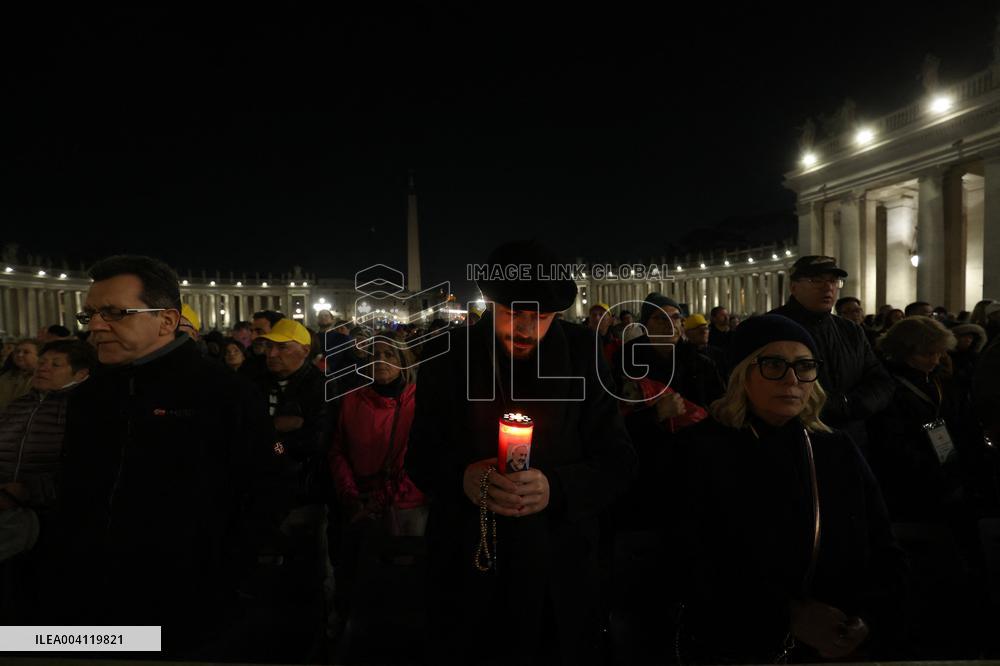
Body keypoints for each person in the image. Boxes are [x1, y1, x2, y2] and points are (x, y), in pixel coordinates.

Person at [405, 239, 636, 665]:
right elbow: (418, 454)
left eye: (542, 316)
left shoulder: (583, 353)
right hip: (470, 561)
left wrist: (558, 487)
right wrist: (462, 477)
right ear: (491, 303)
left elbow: (618, 460)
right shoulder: (449, 356)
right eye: (515, 314)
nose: (527, 329)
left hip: (559, 568)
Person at [49, 255, 265, 658]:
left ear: (166, 321)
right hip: (89, 596)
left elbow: (266, 481)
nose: (95, 326)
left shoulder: (226, 393)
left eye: (114, 313)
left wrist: (229, 574)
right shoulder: (89, 395)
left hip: (187, 601)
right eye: (90, 315)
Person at [673, 315, 904, 663]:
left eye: (804, 366)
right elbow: (690, 560)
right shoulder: (699, 450)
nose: (792, 379)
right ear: (741, 374)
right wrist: (789, 614)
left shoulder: (836, 450)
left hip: (838, 641)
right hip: (738, 643)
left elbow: (883, 547)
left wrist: (866, 618)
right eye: (774, 365)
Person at [328, 334, 428, 618]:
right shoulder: (350, 400)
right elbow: (338, 449)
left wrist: (375, 504)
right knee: (359, 576)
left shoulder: (419, 402)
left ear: (404, 362)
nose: (380, 360)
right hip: (357, 503)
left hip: (403, 506)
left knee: (401, 578)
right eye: (374, 355)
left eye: (389, 354)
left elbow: (419, 460)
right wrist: (350, 496)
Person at [0, 339, 96, 615]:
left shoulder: (81, 409)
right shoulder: (20, 404)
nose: (43, 368)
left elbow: (83, 467)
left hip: (53, 518)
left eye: (56, 365)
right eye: (43, 362)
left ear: (80, 374)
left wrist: (27, 491)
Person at [770, 255, 894, 453]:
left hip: (851, 441)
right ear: (793, 287)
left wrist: (851, 405)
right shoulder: (771, 327)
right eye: (816, 280)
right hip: (794, 442)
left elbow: (880, 381)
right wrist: (826, 407)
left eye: (833, 281)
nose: (828, 287)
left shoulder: (851, 331)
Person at [0, 339, 40, 411]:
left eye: (26, 352)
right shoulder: (6, 376)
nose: (19, 355)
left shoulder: (43, 378)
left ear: (38, 356)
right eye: (17, 351)